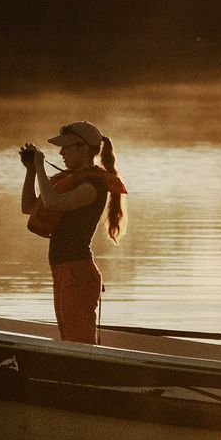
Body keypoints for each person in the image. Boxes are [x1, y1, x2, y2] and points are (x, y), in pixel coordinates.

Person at [19, 121, 127, 344]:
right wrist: (31, 170)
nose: (61, 152)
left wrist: (40, 167)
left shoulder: (91, 186)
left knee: (78, 343)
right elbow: (28, 207)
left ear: (84, 148)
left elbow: (53, 203)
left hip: (78, 272)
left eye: (66, 147)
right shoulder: (69, 179)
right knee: (69, 340)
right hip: (62, 269)